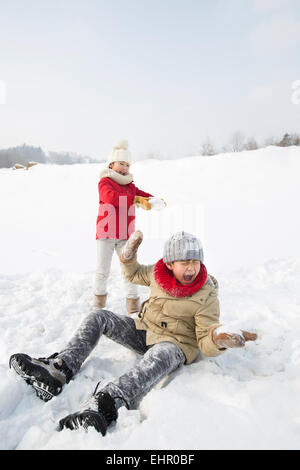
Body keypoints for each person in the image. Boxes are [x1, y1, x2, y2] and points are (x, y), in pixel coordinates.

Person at [9, 230, 257, 435]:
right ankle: (59, 370)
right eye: (184, 262)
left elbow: (205, 339)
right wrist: (129, 257)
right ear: (170, 264)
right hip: (145, 331)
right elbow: (134, 273)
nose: (191, 268)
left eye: (195, 261)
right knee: (99, 316)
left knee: (161, 354)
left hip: (176, 344)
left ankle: (107, 403)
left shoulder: (206, 294)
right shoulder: (158, 274)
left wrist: (218, 338)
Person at [94, 139, 165, 315]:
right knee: (103, 270)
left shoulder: (130, 186)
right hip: (106, 234)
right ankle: (98, 305)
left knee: (129, 270)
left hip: (125, 235)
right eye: (121, 164)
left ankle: (133, 305)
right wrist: (135, 200)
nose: (124, 168)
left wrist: (153, 200)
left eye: (127, 165)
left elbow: (141, 195)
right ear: (112, 164)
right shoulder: (105, 182)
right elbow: (111, 198)